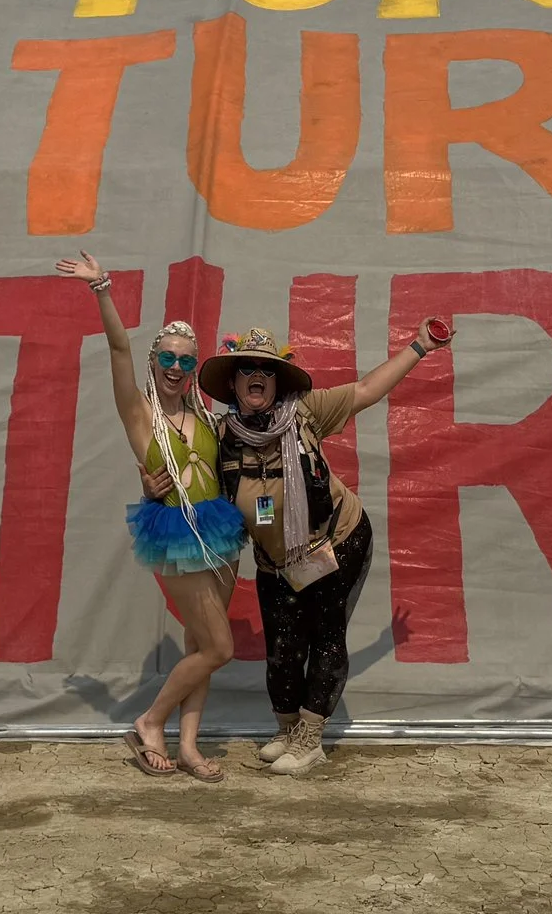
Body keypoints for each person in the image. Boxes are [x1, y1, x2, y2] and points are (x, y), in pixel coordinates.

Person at [191, 320, 451, 776]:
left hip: (334, 540)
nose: (257, 375)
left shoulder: (305, 411)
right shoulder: (219, 435)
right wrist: (153, 481)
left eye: (266, 370)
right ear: (233, 383)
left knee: (323, 635)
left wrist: (420, 346)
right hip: (274, 559)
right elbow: (179, 462)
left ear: (278, 380)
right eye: (246, 368)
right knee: (281, 648)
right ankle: (288, 729)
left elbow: (368, 389)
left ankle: (310, 737)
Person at [54, 252, 245, 781]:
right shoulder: (139, 412)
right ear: (154, 361)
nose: (177, 369)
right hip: (176, 532)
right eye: (168, 359)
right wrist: (102, 289)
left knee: (198, 645)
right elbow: (118, 346)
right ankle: (150, 720)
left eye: (187, 361)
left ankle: (188, 746)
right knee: (220, 648)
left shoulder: (204, 414)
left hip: (221, 532)